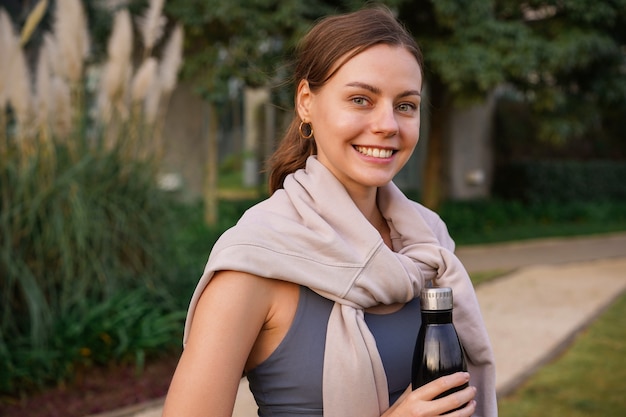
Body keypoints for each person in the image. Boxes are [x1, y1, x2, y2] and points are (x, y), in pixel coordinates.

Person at [163, 5, 497, 417]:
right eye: (361, 99)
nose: (387, 124)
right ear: (306, 102)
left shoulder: (428, 243)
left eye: (405, 105)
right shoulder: (255, 262)